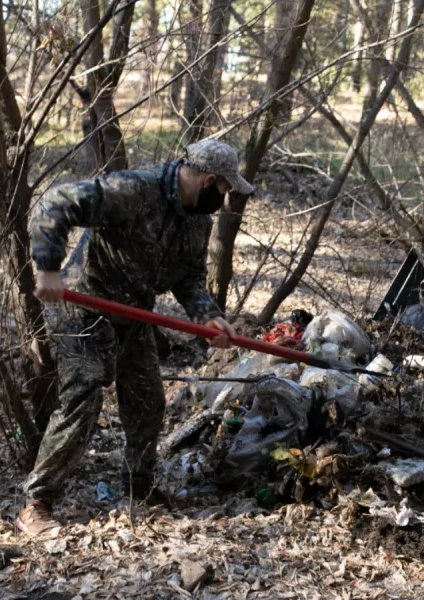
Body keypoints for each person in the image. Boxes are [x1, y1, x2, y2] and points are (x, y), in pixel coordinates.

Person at [17, 140, 253, 535]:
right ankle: (37, 503)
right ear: (211, 181)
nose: (224, 199)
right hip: (86, 308)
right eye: (225, 190)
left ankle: (139, 490)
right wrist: (47, 267)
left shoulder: (198, 220)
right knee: (83, 398)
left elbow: (188, 276)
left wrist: (208, 315)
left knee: (148, 401)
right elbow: (56, 200)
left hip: (134, 312)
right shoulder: (133, 191)